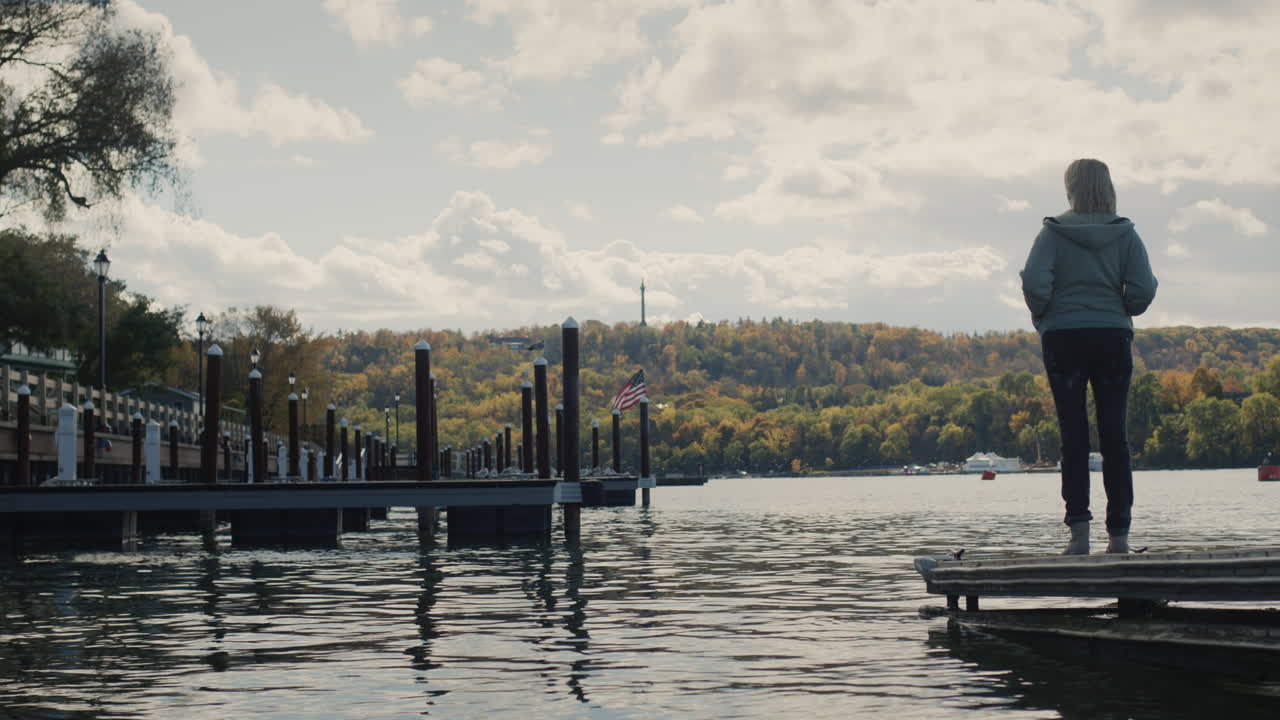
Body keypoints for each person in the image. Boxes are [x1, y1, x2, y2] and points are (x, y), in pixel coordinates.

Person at [1020, 158, 1158, 555]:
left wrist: (1044, 313)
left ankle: (1079, 535)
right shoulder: (1126, 234)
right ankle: (1120, 537)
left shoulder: (1052, 233)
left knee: (1073, 436)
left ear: (1071, 189)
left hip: (1063, 337)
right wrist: (1124, 305)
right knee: (1115, 436)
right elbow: (1143, 289)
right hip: (1111, 335)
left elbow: (1033, 281)